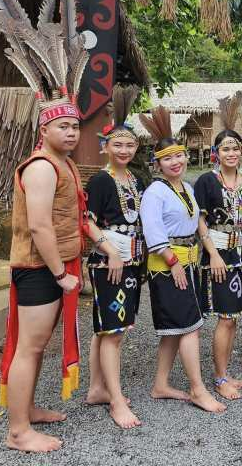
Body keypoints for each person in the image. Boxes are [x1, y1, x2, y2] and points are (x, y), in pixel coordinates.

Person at [0, 0, 121, 453]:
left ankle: (29, 410)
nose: (70, 132)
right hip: (39, 269)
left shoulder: (64, 165)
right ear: (46, 127)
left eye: (73, 125)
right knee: (30, 345)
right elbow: (42, 226)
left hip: (57, 264)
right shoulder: (43, 167)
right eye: (62, 126)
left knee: (38, 344)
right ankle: (18, 430)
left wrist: (102, 243)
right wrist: (59, 275)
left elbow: (76, 215)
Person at [139, 107, 226, 413]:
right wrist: (173, 262)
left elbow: (196, 225)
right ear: (158, 163)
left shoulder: (187, 188)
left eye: (178, 156)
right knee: (190, 327)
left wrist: (206, 252)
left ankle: (161, 384)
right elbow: (153, 231)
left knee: (177, 328)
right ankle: (198, 389)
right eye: (167, 159)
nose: (175, 162)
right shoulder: (155, 192)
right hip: (168, 267)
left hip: (189, 263)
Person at [83, 85, 144, 429]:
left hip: (131, 260)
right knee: (114, 332)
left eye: (129, 145)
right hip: (110, 263)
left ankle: (97, 389)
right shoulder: (101, 181)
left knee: (105, 329)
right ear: (106, 147)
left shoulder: (134, 178)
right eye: (117, 144)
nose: (123, 150)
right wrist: (110, 253)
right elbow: (87, 224)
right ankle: (117, 401)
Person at [195, 118, 242, 401]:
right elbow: (200, 221)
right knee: (225, 317)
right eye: (225, 149)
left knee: (234, 318)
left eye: (235, 148)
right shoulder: (207, 181)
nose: (231, 153)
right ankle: (220, 378)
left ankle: (225, 371)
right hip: (220, 254)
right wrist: (213, 256)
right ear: (216, 153)